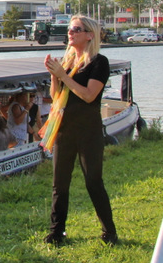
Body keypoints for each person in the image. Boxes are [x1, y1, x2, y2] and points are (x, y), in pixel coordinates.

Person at [43, 15, 119, 246]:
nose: (70, 32)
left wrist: (63, 75)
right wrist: (54, 75)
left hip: (88, 130)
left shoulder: (99, 62)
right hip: (64, 129)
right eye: (70, 29)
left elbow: (88, 95)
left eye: (76, 29)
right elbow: (55, 96)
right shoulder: (67, 62)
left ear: (89, 35)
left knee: (93, 181)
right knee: (59, 184)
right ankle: (56, 232)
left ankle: (109, 232)